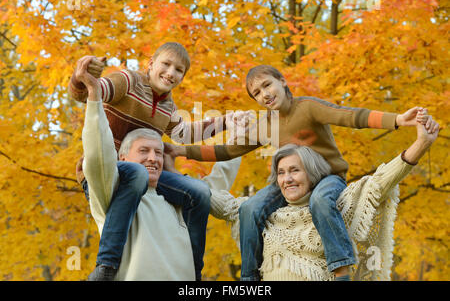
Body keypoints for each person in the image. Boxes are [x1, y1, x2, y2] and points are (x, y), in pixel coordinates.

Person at [165, 64, 433, 280]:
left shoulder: (308, 107)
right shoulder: (266, 125)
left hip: (327, 177)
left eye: (267, 85)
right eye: (257, 93)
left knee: (320, 201)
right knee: (249, 209)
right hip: (291, 181)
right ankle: (250, 277)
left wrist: (398, 120)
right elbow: (227, 151)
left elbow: (351, 116)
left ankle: (340, 268)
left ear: (282, 81)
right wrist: (181, 151)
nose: (264, 95)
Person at [69, 43, 245, 280]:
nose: (171, 73)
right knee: (136, 173)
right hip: (108, 170)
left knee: (200, 192)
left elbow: (184, 133)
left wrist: (226, 123)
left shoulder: (168, 106)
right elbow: (90, 93)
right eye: (166, 64)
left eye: (179, 70)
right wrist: (85, 77)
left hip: (142, 174)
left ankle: (193, 271)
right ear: (151, 64)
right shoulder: (128, 81)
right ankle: (106, 266)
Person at [201, 112, 439, 280]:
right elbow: (207, 196)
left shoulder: (336, 206)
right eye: (281, 173)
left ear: (312, 174)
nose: (287, 179)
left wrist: (421, 144)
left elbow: (379, 182)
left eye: (295, 170)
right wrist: (166, 168)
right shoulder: (259, 211)